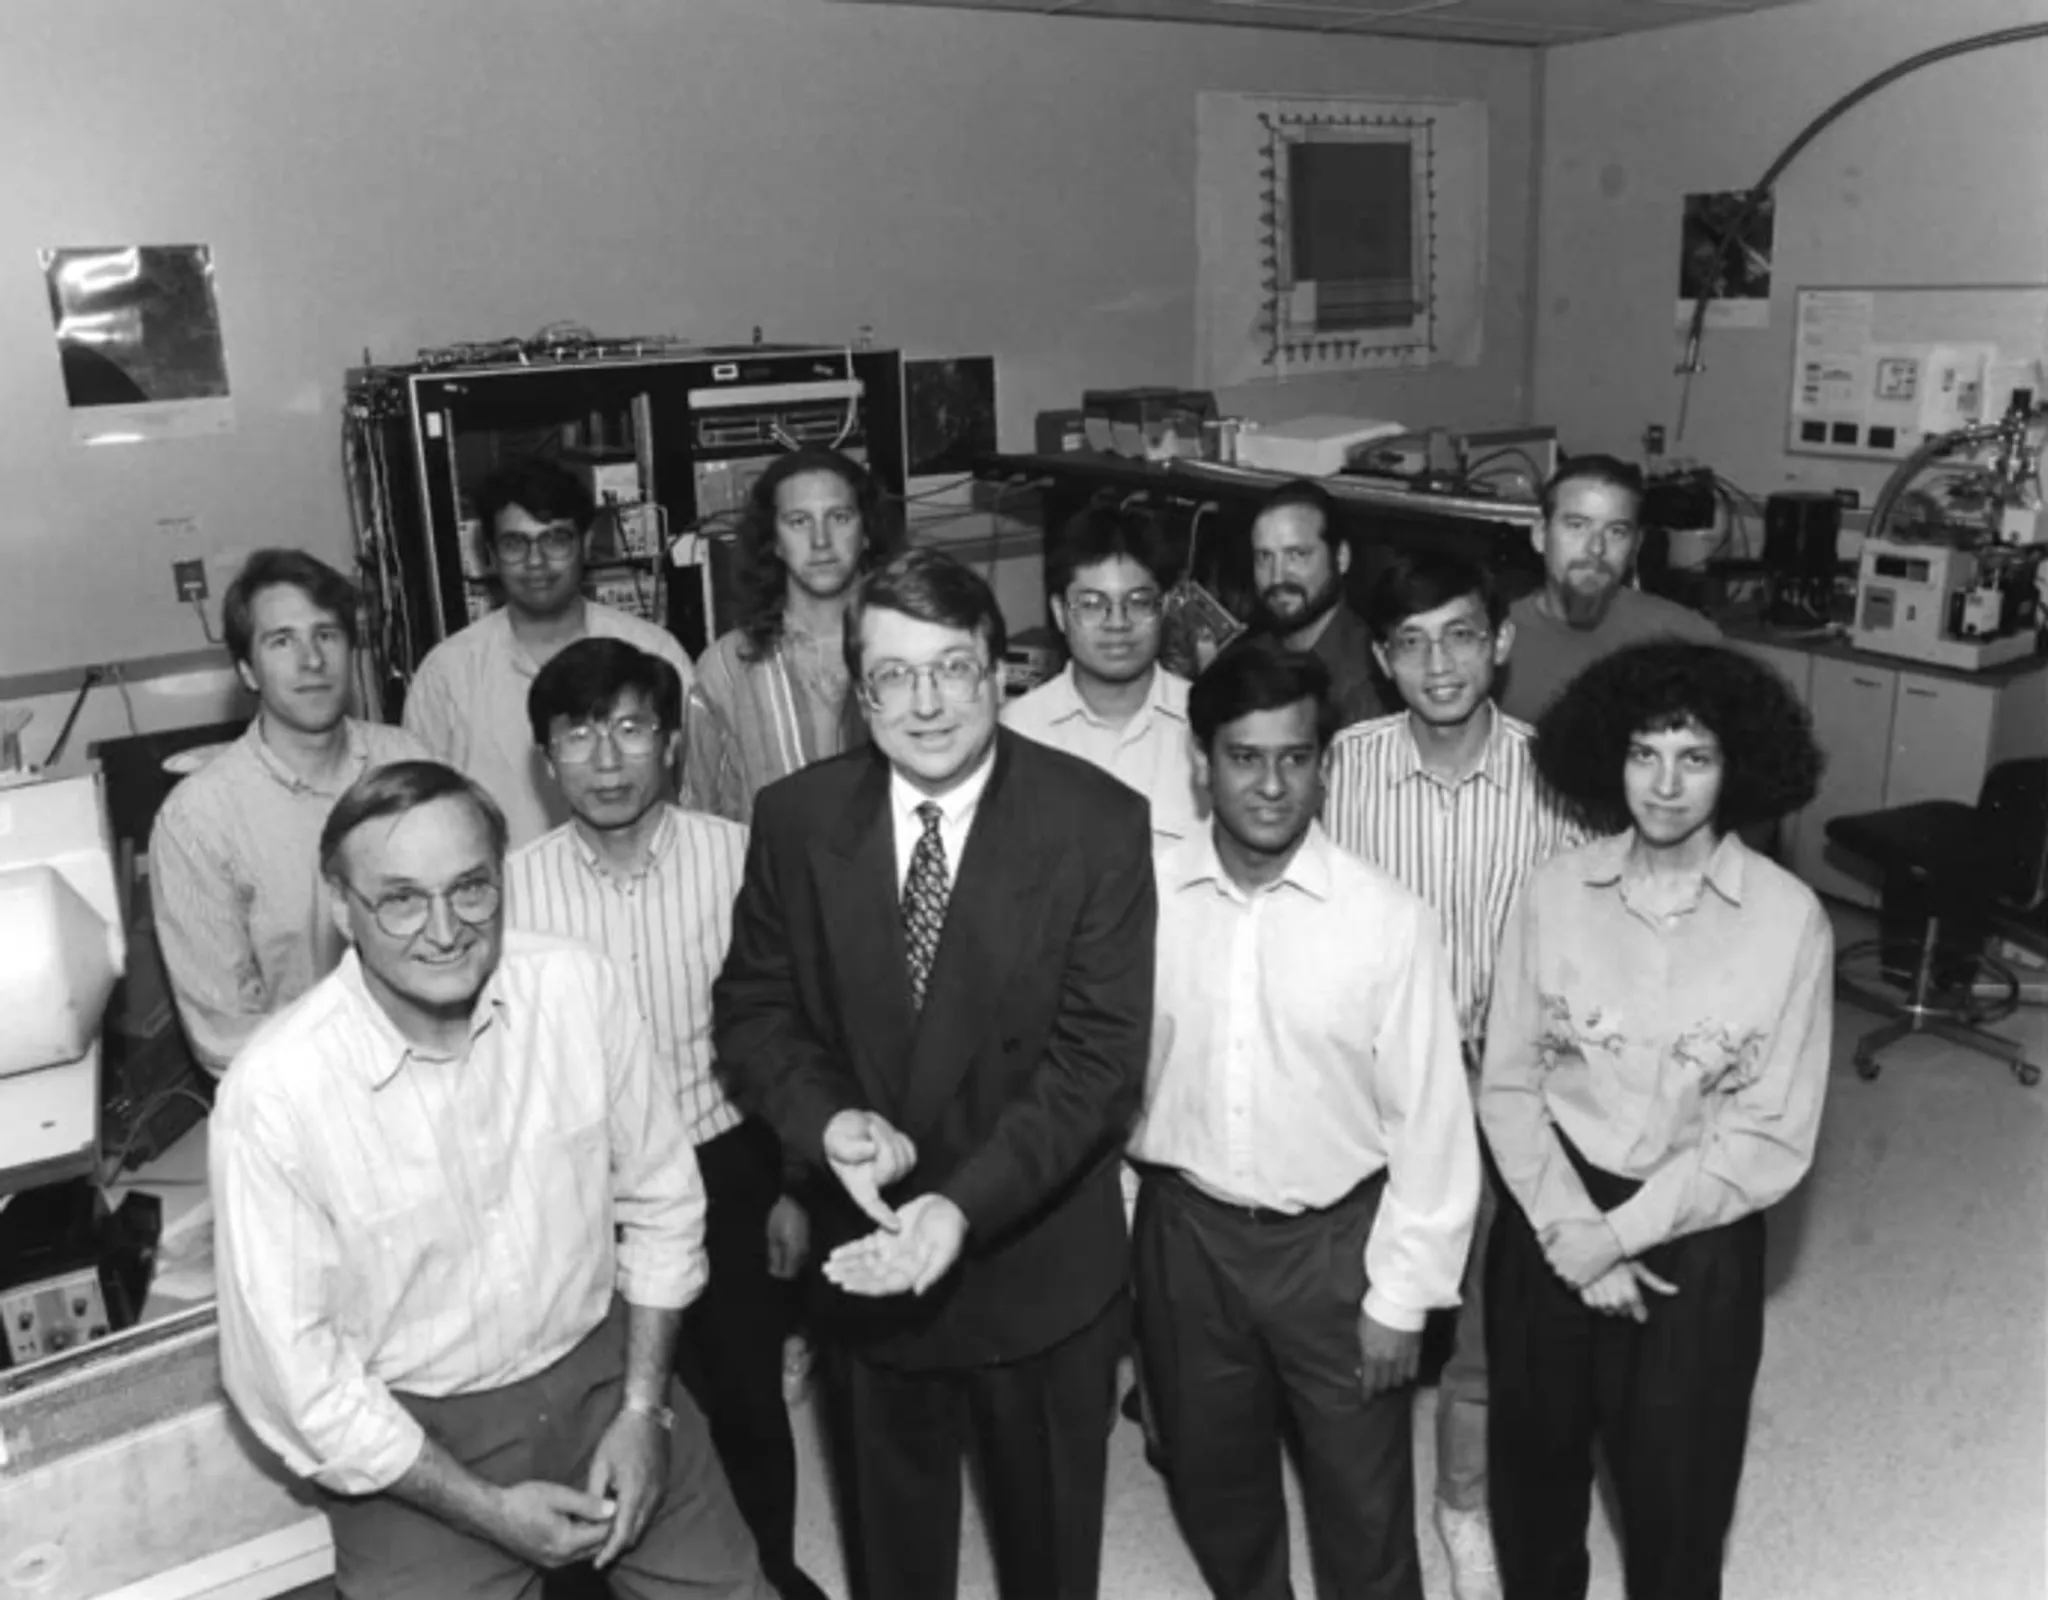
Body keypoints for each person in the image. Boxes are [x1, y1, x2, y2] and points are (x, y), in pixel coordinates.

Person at [209, 760, 770, 1599]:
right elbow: (297, 1380)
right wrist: (485, 1511)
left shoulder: (577, 988)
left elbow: (664, 1201)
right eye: (401, 900)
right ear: (340, 906)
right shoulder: (275, 1096)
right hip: (410, 1436)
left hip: (606, 1371)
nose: (445, 930)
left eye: (470, 889)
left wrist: (644, 1410)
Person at [714, 549, 1154, 1600]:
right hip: (867, 1257)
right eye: (893, 675)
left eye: (952, 668)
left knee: (1048, 1561)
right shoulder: (795, 819)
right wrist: (827, 1124)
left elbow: (1096, 1065)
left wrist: (959, 1207)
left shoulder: (1095, 821)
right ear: (858, 692)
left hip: (1034, 1263)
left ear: (998, 673)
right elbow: (754, 1010)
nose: (925, 704)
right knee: (892, 1560)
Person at [1479, 641, 1830, 1600]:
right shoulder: (1552, 892)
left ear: (1737, 767)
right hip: (1552, 1205)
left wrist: (1617, 1237)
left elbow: (1770, 1133)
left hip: (1700, 1226)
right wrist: (1573, 1231)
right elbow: (1506, 1084)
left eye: (1695, 757)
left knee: (1680, 1505)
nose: (1665, 785)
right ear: (1612, 758)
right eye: (1644, 753)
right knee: (1534, 1483)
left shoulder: (1790, 920)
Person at [1131, 640, 1479, 1600]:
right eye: (1244, 757)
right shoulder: (1141, 900)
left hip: (1335, 1249)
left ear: (1323, 765)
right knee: (1212, 1479)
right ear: (1201, 762)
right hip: (1186, 1237)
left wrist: (1401, 1296)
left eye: (1295, 757)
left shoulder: (1387, 919)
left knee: (1362, 1504)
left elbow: (1432, 1126)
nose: (1272, 785)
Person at [505, 638, 828, 1600]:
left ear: (674, 743)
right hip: (585, 1191)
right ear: (546, 758)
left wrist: (794, 1185)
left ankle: (764, 1572)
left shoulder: (743, 858)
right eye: (578, 736)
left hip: (726, 1163)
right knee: (604, 1408)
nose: (606, 761)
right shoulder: (514, 891)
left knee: (747, 1401)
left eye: (632, 729)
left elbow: (801, 1031)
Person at [1322, 548, 1583, 1600]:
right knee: (1363, 1312)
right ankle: (1362, 1512)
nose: (1439, 665)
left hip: (1496, 1087)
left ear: (1501, 641)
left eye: (1461, 635)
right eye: (1412, 642)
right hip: (1365, 1088)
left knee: (1482, 1327)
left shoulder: (1552, 773)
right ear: (1382, 659)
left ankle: (1463, 1508)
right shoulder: (1338, 767)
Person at [150, 548, 426, 1075]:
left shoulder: (411, 763)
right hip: (303, 1094)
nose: (312, 660)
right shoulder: (198, 821)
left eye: (327, 635)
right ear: (247, 671)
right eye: (282, 641)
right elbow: (226, 1037)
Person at [403, 456, 696, 849]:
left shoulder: (652, 652)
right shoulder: (448, 674)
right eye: (515, 544)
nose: (536, 561)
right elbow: (421, 818)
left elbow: (694, 790)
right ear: (489, 554)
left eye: (555, 540)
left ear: (586, 544)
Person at [681, 448, 900, 823]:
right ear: (775, 541)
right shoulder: (726, 669)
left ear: (866, 532)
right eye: (799, 521)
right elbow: (700, 821)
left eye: (839, 517)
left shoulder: (914, 650)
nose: (821, 540)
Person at [1002, 502, 1202, 845]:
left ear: (1164, 607)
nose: (1117, 623)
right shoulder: (1017, 733)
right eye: (1092, 605)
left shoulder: (1205, 725)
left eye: (1138, 602)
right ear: (1060, 613)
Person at [1498, 455, 1720, 723]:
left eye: (1616, 531)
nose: (1596, 548)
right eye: (1577, 526)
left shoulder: (1682, 637)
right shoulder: (1497, 642)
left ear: (1635, 546)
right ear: (1540, 535)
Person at [1244, 478, 1386, 727]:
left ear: (1341, 558)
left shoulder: (1365, 684)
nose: (1277, 577)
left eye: (1297, 555)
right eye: (1264, 557)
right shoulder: (1251, 653)